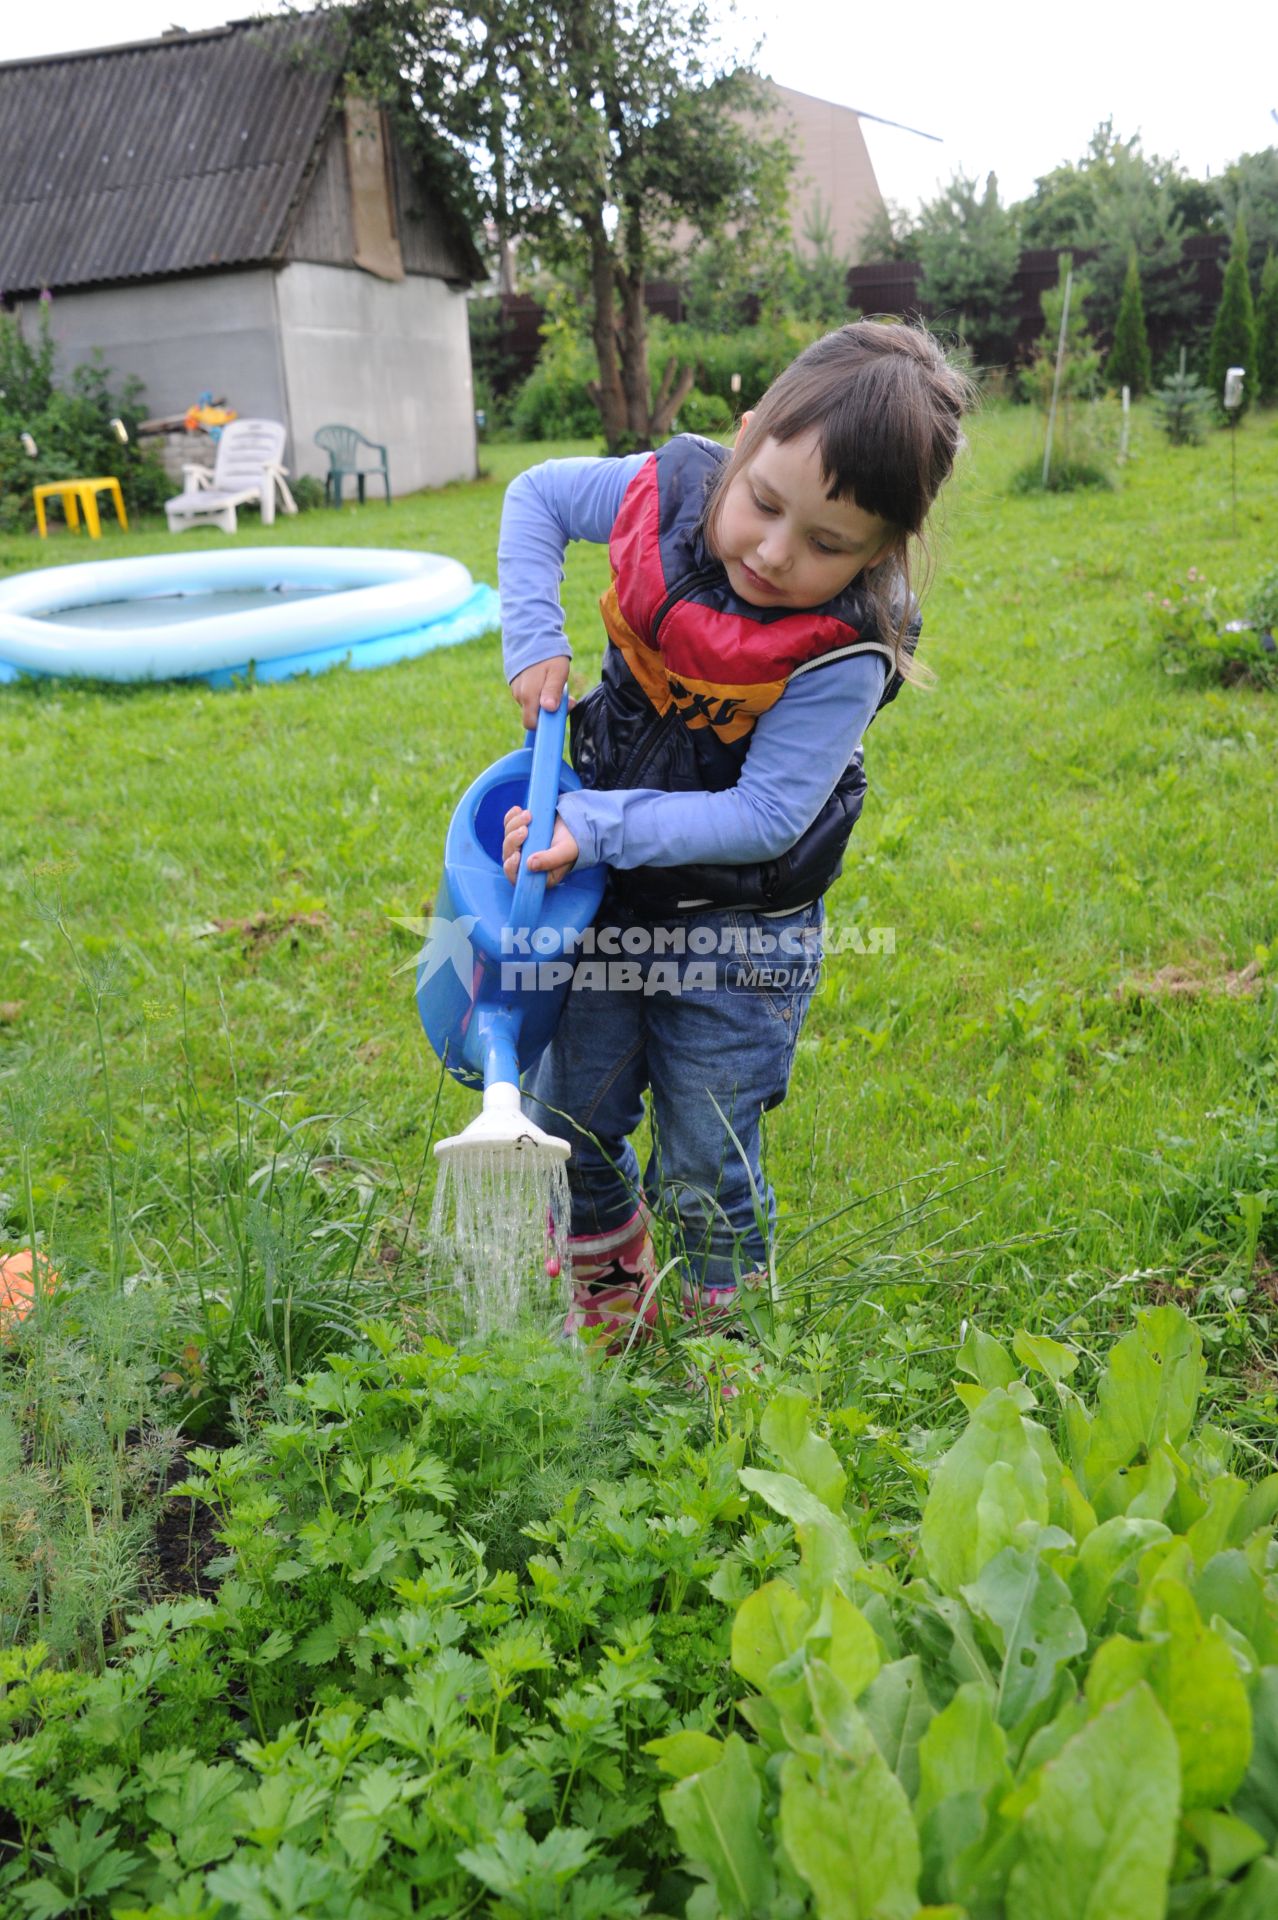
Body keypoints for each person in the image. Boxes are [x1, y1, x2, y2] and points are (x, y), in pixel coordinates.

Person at [495, 321, 970, 1341]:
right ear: (745, 440)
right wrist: (536, 634)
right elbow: (535, 495)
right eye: (762, 503)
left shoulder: (848, 648)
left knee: (707, 1147)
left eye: (828, 545)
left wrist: (593, 819)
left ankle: (725, 1342)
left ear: (881, 549)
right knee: (567, 1108)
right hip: (606, 893)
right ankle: (607, 1287)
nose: (772, 551)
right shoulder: (666, 491)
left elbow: (761, 819)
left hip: (741, 931)